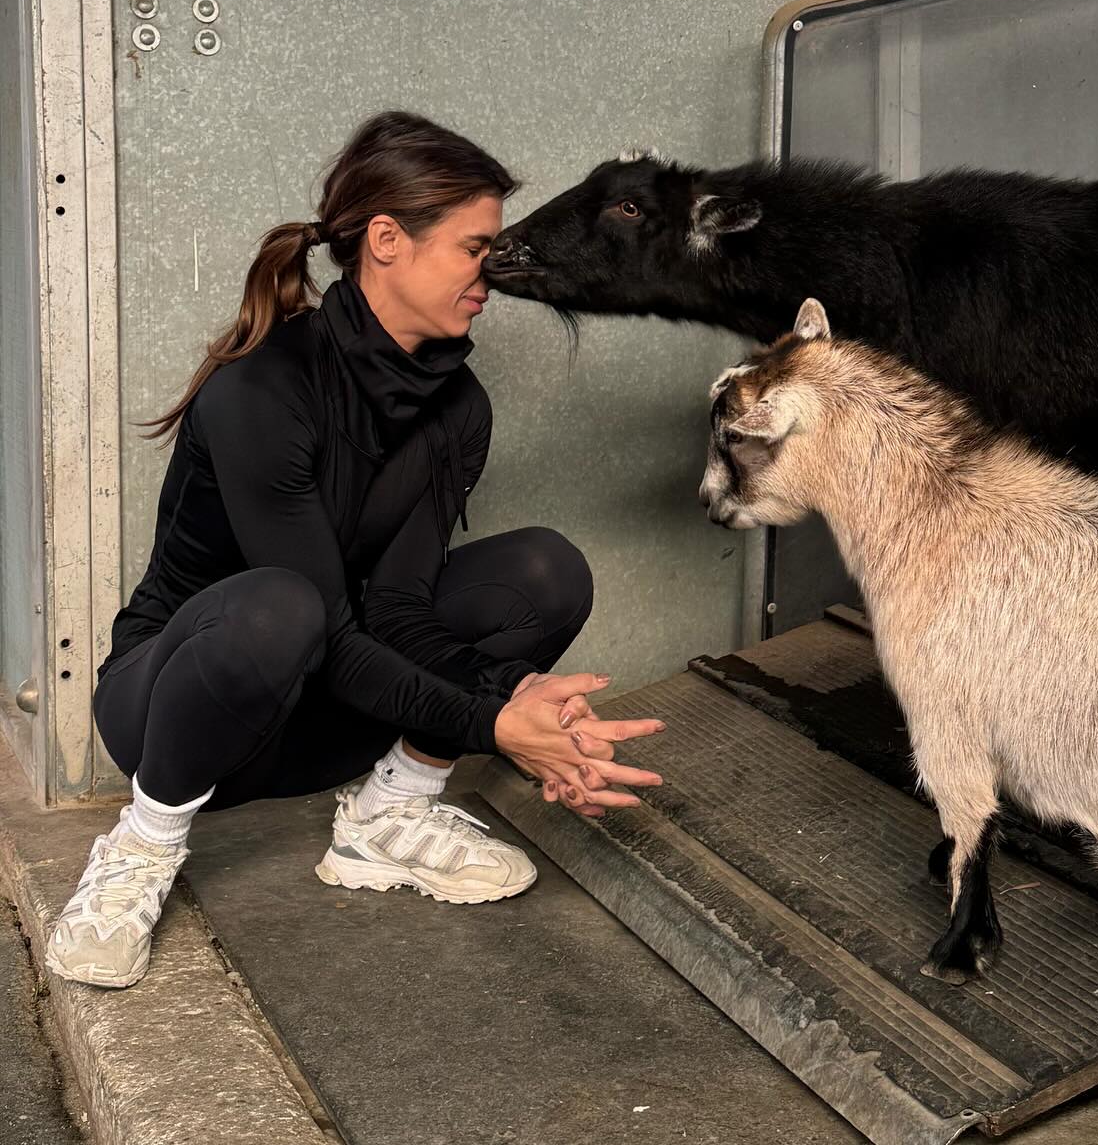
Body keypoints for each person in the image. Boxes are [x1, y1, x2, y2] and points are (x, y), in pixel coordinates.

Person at [46, 112, 664, 989]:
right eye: (473, 247)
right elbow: (324, 627)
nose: (494, 272)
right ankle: (141, 851)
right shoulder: (263, 388)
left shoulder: (458, 407)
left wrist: (522, 699)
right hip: (179, 715)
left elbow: (399, 611)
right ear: (386, 241)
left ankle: (389, 817)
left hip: (321, 716)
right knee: (278, 608)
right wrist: (493, 723)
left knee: (544, 571)